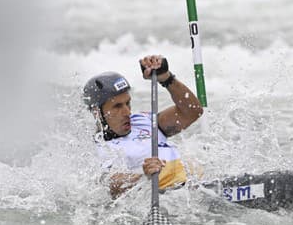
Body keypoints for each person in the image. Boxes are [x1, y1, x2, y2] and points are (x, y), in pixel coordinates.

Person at [83, 55, 203, 198]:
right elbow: (110, 184)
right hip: (169, 198)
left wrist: (166, 78)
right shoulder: (99, 148)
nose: (127, 112)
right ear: (97, 113)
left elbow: (192, 112)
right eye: (117, 106)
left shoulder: (144, 121)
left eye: (128, 103)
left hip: (199, 188)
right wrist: (143, 175)